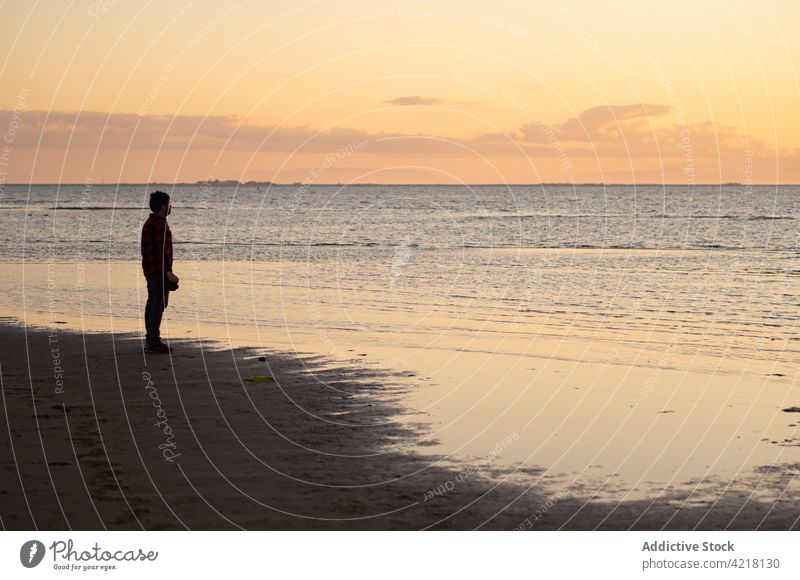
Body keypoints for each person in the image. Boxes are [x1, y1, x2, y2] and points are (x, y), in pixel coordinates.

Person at [141, 190, 179, 353]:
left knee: (153, 302)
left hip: (150, 270)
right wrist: (168, 272)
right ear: (163, 206)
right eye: (169, 204)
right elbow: (161, 251)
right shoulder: (159, 224)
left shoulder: (150, 222)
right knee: (159, 303)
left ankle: (151, 339)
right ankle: (153, 340)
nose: (170, 207)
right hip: (158, 270)